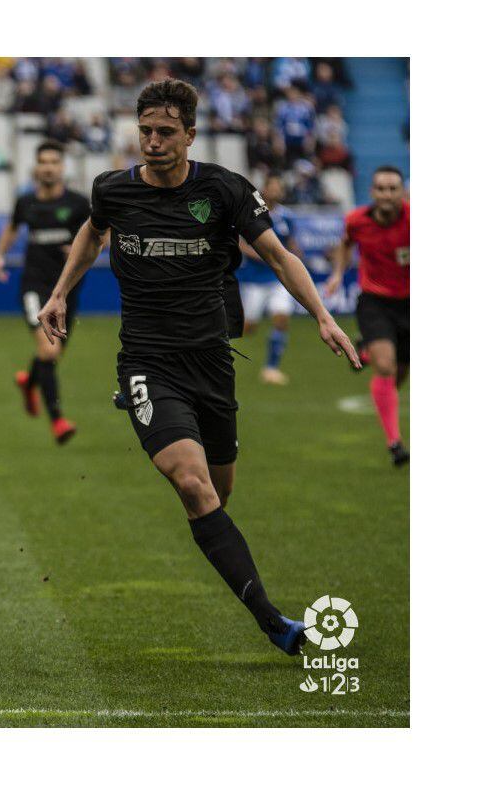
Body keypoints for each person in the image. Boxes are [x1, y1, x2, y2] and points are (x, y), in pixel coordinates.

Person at [38, 80, 359, 656]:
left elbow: (281, 257)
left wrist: (324, 318)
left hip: (212, 364)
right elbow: (92, 232)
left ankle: (152, 412)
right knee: (192, 485)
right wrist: (62, 292)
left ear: (190, 134)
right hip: (146, 358)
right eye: (144, 132)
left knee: (217, 492)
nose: (153, 142)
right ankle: (272, 620)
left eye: (165, 132)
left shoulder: (224, 190)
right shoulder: (113, 189)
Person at [0, 141, 90, 444]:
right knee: (49, 351)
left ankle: (29, 382)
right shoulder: (26, 202)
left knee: (52, 355)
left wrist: (80, 248)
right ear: (36, 168)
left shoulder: (78, 203)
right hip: (34, 285)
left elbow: (103, 235)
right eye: (43, 161)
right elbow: (12, 227)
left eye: (53, 162)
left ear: (62, 167)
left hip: (68, 288)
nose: (48, 167)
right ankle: (58, 421)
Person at [325, 166, 410, 465]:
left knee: (399, 374)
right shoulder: (356, 221)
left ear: (402, 191)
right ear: (372, 192)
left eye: (392, 188)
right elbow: (345, 244)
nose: (387, 194)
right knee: (386, 368)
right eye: (381, 189)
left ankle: (368, 350)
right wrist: (337, 273)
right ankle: (394, 444)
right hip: (374, 301)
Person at [237, 175, 303, 385]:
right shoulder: (251, 212)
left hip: (278, 279)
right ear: (264, 189)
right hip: (254, 280)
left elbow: (291, 245)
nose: (275, 191)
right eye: (272, 186)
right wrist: (264, 255)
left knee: (281, 318)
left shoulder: (287, 216)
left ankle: (271, 368)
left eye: (278, 187)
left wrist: (295, 259)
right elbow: (240, 243)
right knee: (248, 327)